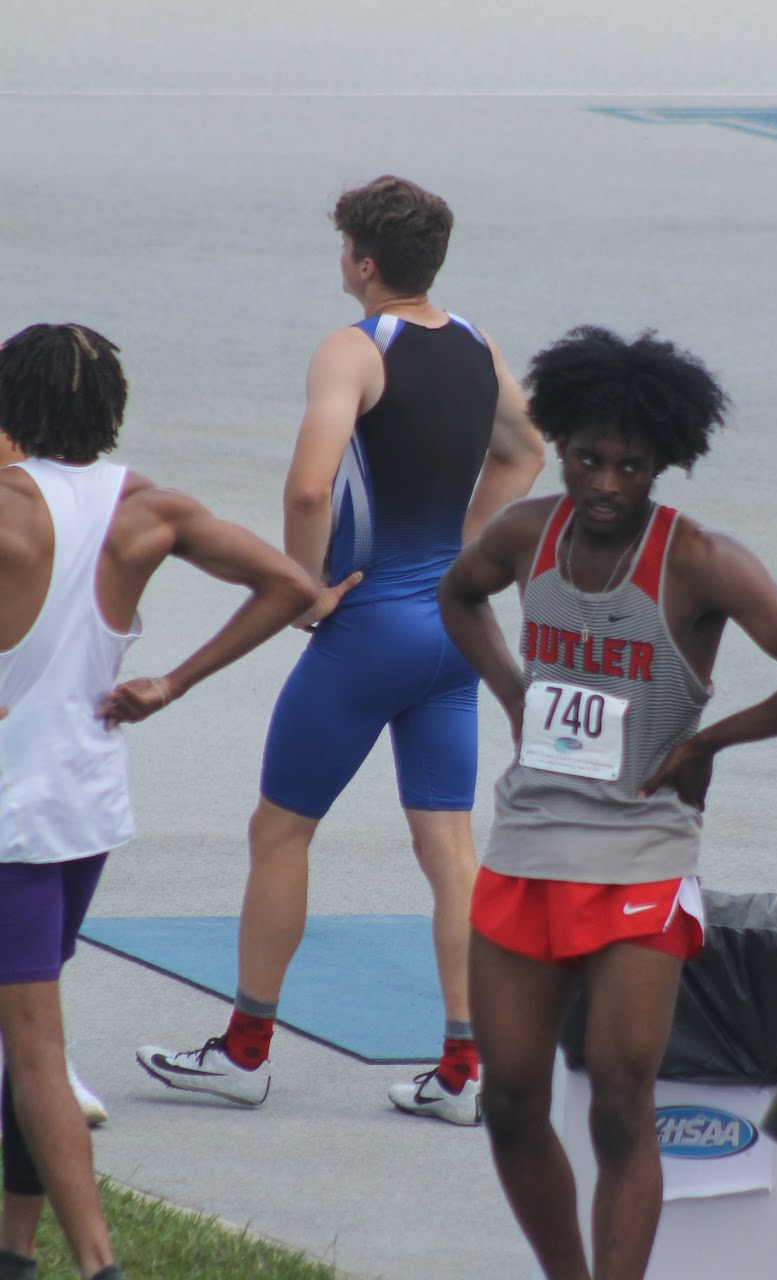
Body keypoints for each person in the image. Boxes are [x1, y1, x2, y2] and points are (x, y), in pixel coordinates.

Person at [438, 324, 777, 1279]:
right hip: (529, 842)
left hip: (642, 853)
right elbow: (457, 596)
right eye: (587, 459)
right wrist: (511, 691)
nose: (603, 484)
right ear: (559, 445)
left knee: (620, 1099)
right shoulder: (524, 534)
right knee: (509, 1097)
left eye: (629, 467)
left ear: (665, 464)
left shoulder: (701, 561)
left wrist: (707, 741)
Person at [137, 175, 545, 1121]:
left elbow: (312, 489)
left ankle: (243, 1056)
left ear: (363, 263)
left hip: (369, 628)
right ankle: (461, 1071)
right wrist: (465, 557)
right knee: (449, 845)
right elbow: (524, 453)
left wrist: (308, 591)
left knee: (280, 831)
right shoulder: (479, 345)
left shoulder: (354, 351)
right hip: (453, 629)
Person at [0, 323, 315, 1280]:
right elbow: (291, 584)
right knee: (25, 1042)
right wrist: (169, 683)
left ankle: (98, 1264)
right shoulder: (149, 508)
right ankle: (14, 1251)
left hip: (8, 819)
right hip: (84, 813)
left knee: (37, 1049)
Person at [0, 427, 111, 1134]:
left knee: (46, 936)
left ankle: (34, 1056)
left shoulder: (86, 498)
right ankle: (36, 1061)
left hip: (63, 767)